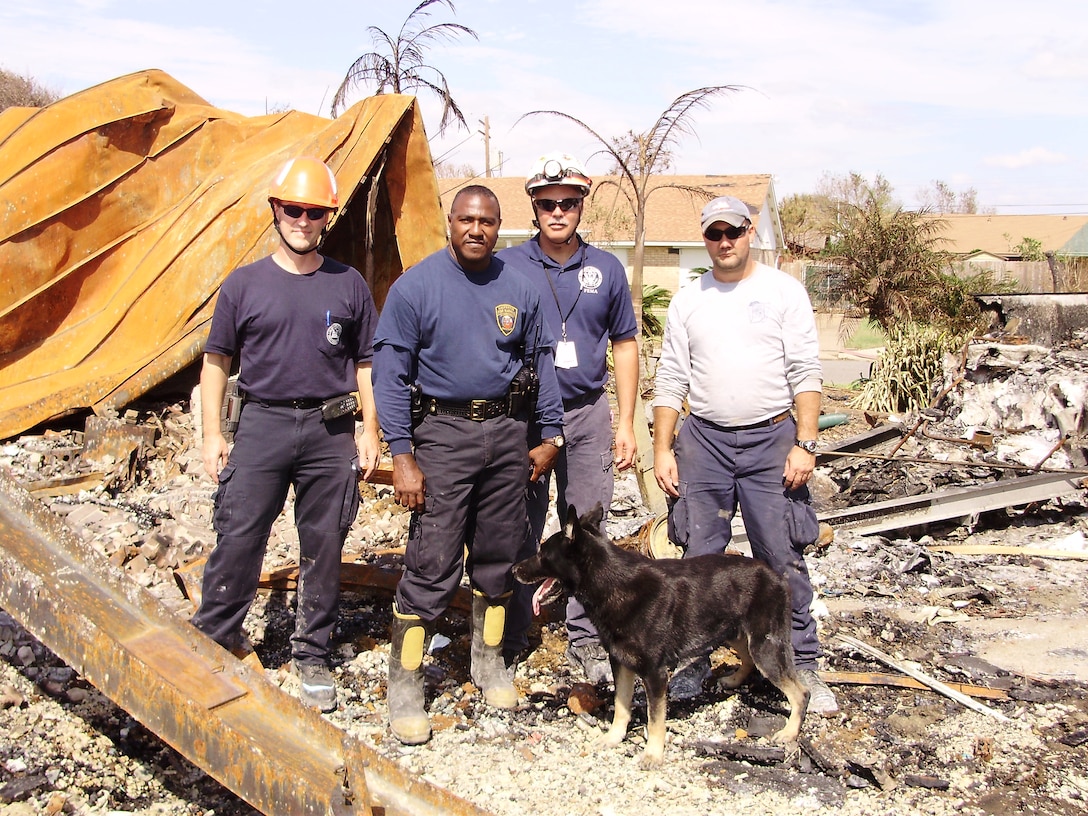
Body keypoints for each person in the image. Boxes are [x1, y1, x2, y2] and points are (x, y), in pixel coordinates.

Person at [372, 184, 564, 745]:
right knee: (432, 560)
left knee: (501, 556)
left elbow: (542, 364)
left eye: (486, 222)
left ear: (499, 226)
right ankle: (404, 685)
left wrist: (550, 434)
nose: (476, 230)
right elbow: (390, 377)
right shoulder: (416, 289)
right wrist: (402, 457)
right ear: (450, 223)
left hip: (508, 435)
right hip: (442, 435)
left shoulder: (520, 288)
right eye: (466, 219)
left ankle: (489, 661)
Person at [191, 156, 381, 713]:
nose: (302, 219)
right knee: (240, 535)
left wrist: (370, 430)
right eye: (292, 209)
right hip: (262, 425)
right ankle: (215, 636)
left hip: (330, 430)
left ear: (327, 216)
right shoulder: (244, 284)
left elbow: (367, 365)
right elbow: (215, 363)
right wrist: (211, 435)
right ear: (275, 210)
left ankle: (313, 654)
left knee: (324, 545)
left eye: (313, 211)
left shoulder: (348, 285)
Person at [651, 195, 839, 715]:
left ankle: (802, 665)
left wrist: (805, 443)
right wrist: (663, 448)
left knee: (780, 557)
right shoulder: (689, 300)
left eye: (733, 230)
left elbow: (805, 372)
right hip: (704, 442)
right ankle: (690, 665)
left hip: (771, 442)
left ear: (750, 231)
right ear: (705, 238)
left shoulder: (783, 292)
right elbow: (670, 379)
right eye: (714, 233)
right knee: (697, 562)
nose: (725, 241)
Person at [496, 152, 639, 684]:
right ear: (533, 208)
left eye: (569, 203)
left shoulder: (606, 269)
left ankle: (586, 637)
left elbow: (625, 346)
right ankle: (514, 631)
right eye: (547, 203)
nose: (558, 211)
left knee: (587, 533)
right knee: (520, 524)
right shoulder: (508, 265)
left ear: (582, 206)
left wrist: (626, 423)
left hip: (587, 415)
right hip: (527, 421)